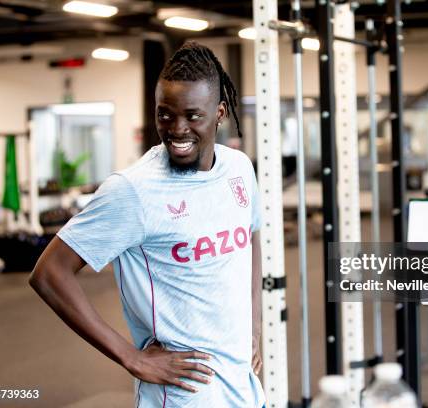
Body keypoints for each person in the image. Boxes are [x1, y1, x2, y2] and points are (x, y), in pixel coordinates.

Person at [29, 41, 265, 408]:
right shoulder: (132, 191)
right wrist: (131, 356)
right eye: (165, 114)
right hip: (184, 397)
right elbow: (49, 273)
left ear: (220, 113)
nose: (176, 129)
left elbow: (250, 239)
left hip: (246, 391)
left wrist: (254, 325)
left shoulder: (239, 168)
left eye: (192, 115)